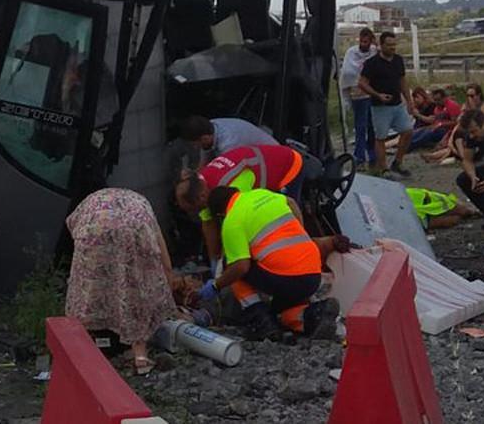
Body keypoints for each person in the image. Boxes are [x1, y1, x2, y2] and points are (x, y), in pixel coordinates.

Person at [197, 186, 334, 341]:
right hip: (312, 274)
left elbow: (241, 267)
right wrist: (302, 231)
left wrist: (216, 285)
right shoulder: (262, 194)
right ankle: (313, 316)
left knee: (233, 267)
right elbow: (291, 201)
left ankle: (259, 319)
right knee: (281, 313)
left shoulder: (232, 221)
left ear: (220, 214)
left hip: (287, 278)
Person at [64, 188, 177, 375]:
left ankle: (81, 350)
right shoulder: (143, 207)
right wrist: (167, 289)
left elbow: (73, 228)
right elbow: (164, 259)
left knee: (88, 286)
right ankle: (140, 358)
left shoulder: (89, 204)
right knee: (135, 286)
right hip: (133, 228)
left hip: (93, 228)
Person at [175, 144, 307, 267]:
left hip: (287, 167)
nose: (194, 214)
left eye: (193, 210)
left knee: (285, 221)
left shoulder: (231, 184)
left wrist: (230, 261)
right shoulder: (200, 185)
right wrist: (214, 262)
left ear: (201, 198)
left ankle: (301, 254)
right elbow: (208, 224)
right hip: (267, 166)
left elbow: (242, 223)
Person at [358, 31, 417, 177]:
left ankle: (398, 162)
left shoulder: (398, 60)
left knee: (408, 131)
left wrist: (409, 101)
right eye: (389, 45)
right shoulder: (372, 63)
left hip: (397, 104)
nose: (392, 48)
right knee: (381, 137)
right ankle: (383, 168)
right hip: (379, 106)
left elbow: (402, 81)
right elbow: (362, 83)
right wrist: (377, 95)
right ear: (381, 45)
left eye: (394, 45)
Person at [339, 28, 377, 168]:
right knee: (360, 126)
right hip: (358, 93)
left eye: (367, 41)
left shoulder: (373, 51)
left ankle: (372, 154)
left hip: (372, 92)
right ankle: (359, 156)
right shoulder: (352, 53)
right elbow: (348, 72)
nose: (364, 43)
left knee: (372, 126)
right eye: (362, 40)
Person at [178, 115, 276, 158]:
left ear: (205, 138)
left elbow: (225, 171)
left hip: (272, 158)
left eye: (196, 145)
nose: (195, 148)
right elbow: (206, 151)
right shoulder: (210, 125)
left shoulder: (228, 144)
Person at [410, 87, 461, 151]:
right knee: (421, 130)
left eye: (438, 99)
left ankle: (410, 146)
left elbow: (455, 122)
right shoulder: (437, 107)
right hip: (437, 127)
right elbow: (435, 120)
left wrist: (441, 124)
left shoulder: (451, 105)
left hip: (447, 130)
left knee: (429, 132)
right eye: (435, 100)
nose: (437, 102)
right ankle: (405, 143)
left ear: (444, 98)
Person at [407, 187, 479, 230]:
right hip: (420, 217)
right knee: (454, 220)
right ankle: (470, 213)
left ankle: (473, 212)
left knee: (463, 211)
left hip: (428, 200)